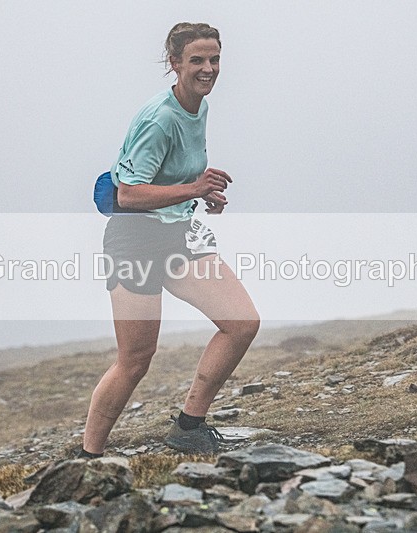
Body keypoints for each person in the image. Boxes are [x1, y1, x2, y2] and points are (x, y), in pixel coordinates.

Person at [78, 22, 260, 457]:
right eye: (197, 60)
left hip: (178, 233)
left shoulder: (198, 107)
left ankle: (188, 426)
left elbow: (178, 174)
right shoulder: (159, 118)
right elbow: (129, 193)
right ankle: (88, 458)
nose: (208, 68)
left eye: (214, 59)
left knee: (241, 323)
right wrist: (193, 189)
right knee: (136, 359)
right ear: (174, 63)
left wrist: (202, 192)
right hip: (134, 241)